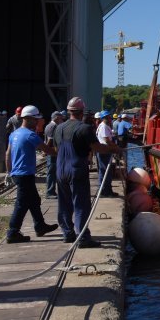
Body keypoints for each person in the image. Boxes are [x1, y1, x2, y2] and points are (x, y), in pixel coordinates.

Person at [54, 97, 121, 248]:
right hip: (76, 169)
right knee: (81, 204)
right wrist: (113, 149)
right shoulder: (84, 128)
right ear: (82, 112)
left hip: (60, 169)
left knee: (64, 203)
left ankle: (67, 233)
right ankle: (83, 238)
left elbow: (56, 150)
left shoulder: (59, 128)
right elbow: (98, 148)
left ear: (69, 111)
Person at [4, 105, 58, 244]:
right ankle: (13, 231)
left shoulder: (14, 134)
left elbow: (8, 154)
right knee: (21, 204)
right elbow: (48, 150)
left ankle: (40, 225)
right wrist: (65, 150)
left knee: (34, 200)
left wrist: (9, 172)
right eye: (36, 119)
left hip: (18, 174)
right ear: (28, 119)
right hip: (25, 174)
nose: (37, 122)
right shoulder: (30, 135)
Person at [94, 110, 117, 197]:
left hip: (104, 151)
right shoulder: (103, 126)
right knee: (106, 171)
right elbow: (106, 140)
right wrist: (115, 147)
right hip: (104, 151)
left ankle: (106, 190)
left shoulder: (103, 126)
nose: (110, 118)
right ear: (104, 118)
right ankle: (105, 191)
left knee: (104, 171)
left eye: (109, 117)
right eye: (107, 117)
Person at [42, 111, 64, 199]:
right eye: (60, 118)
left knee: (52, 172)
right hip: (52, 153)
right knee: (52, 172)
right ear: (56, 118)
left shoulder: (49, 125)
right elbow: (50, 140)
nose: (62, 119)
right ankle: (50, 192)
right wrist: (46, 150)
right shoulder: (53, 126)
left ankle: (51, 191)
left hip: (51, 152)